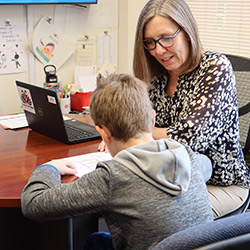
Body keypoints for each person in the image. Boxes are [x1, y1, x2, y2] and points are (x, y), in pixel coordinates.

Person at [21, 73, 213, 250]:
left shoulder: (113, 177)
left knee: (94, 241)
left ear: (103, 131)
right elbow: (208, 165)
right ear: (152, 119)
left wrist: (50, 167)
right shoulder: (188, 157)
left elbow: (33, 203)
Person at [132, 0, 250, 218]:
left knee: (154, 218)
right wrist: (123, 132)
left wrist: (136, 134)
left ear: (186, 31)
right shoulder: (160, 75)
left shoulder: (215, 68)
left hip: (221, 184)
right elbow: (140, 121)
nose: (158, 50)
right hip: (174, 179)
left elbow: (189, 138)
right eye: (150, 42)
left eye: (166, 38)